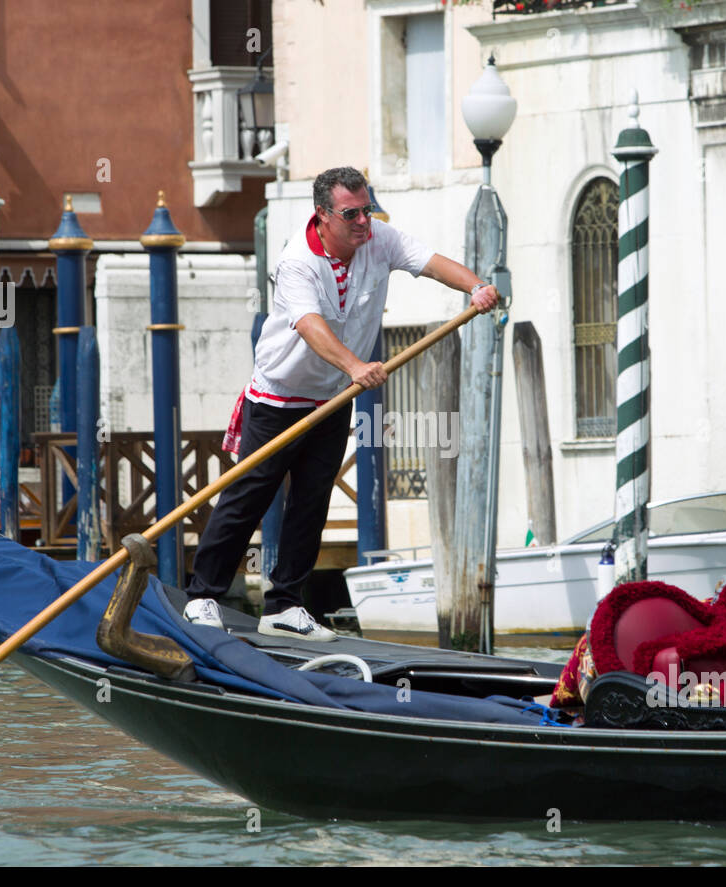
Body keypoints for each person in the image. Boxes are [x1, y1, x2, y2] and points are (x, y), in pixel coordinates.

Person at [184, 166, 499, 640]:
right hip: (279, 395)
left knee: (312, 501)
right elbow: (310, 325)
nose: (362, 222)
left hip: (331, 397)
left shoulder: (380, 239)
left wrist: (474, 287)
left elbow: (430, 261)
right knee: (248, 496)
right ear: (323, 216)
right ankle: (202, 596)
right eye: (351, 213)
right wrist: (355, 366)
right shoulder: (296, 261)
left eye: (366, 209)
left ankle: (285, 606)